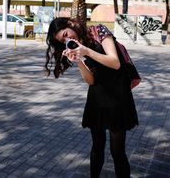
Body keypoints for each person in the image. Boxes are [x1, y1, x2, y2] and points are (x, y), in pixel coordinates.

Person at [45, 17, 138, 178]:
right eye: (63, 40)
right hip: (97, 99)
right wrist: (78, 61)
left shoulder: (99, 31)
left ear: (71, 24)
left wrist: (87, 51)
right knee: (97, 147)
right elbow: (91, 80)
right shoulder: (79, 47)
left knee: (117, 152)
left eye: (66, 34)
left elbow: (115, 62)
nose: (68, 39)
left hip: (118, 96)